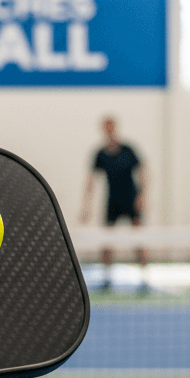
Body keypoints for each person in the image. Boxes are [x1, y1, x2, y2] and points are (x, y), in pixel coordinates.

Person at [78, 116, 147, 291]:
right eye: (105, 127)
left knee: (139, 240)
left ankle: (144, 279)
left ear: (115, 128)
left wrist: (141, 197)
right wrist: (86, 207)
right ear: (103, 129)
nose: (108, 130)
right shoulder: (100, 154)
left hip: (130, 200)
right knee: (107, 241)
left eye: (111, 127)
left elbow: (142, 172)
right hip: (112, 202)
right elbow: (91, 181)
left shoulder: (128, 150)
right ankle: (107, 279)